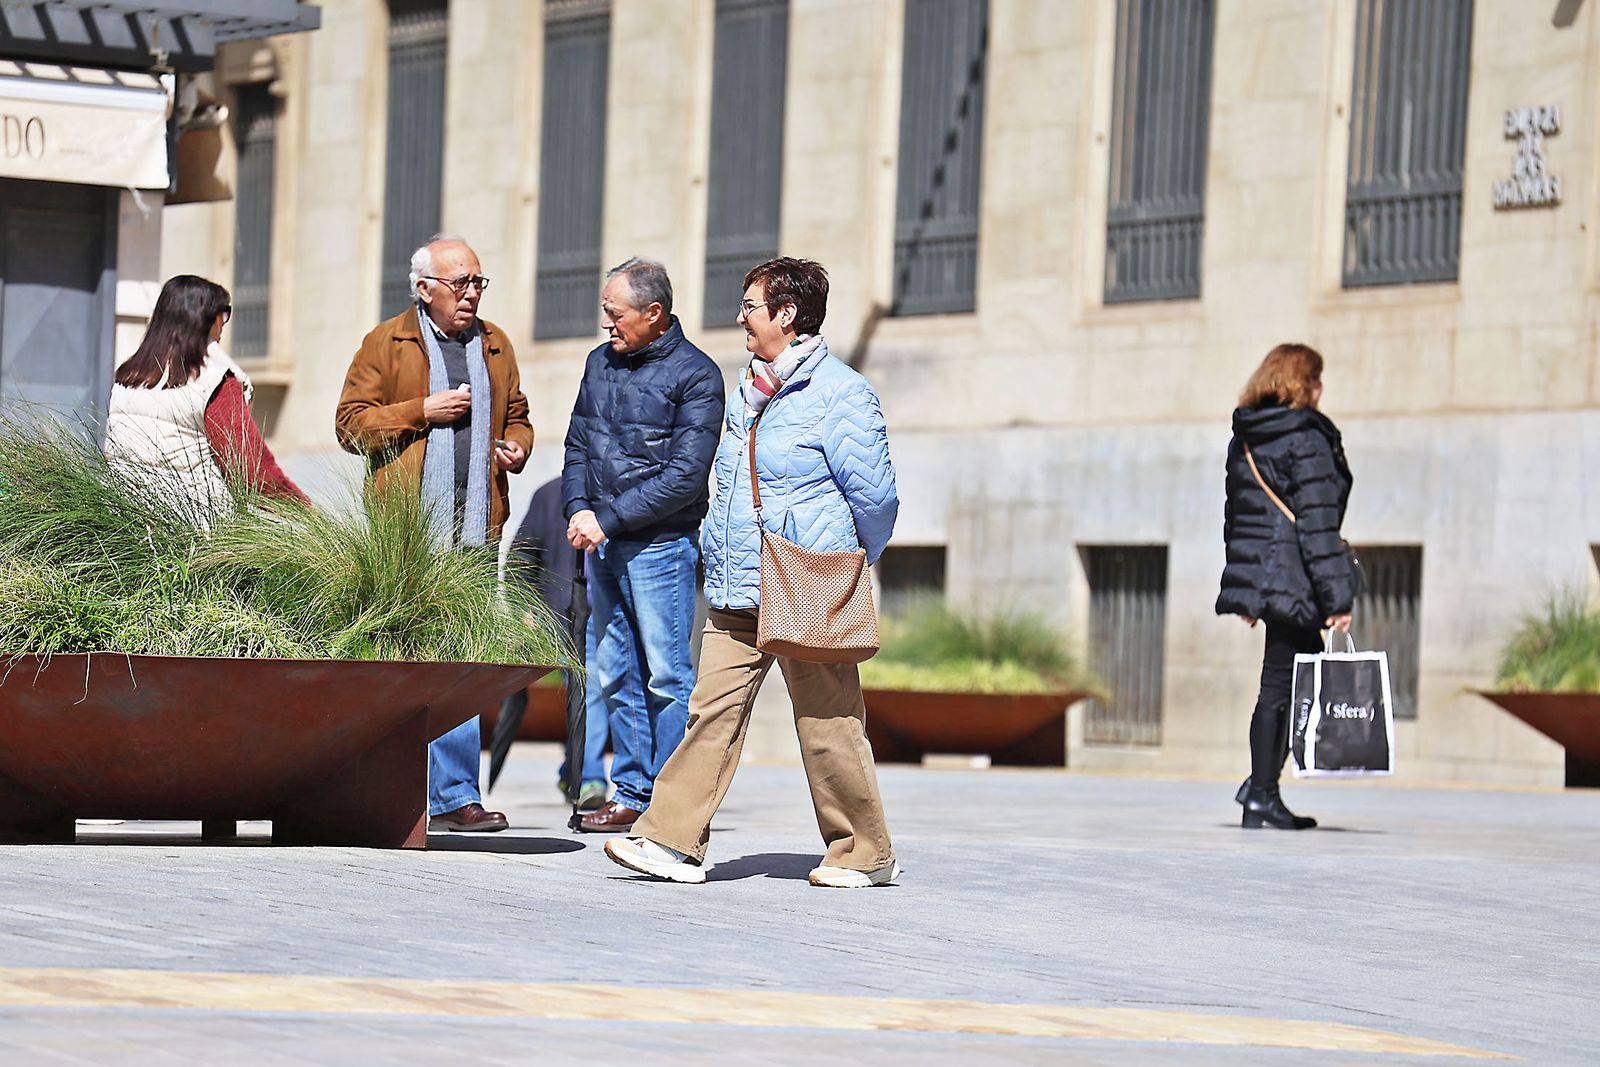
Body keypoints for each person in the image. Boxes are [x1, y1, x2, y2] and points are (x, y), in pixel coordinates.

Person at [604, 256, 901, 888]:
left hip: (807, 580)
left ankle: (865, 852)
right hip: (740, 581)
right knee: (710, 711)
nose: (740, 316)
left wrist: (843, 558)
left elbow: (876, 501)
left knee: (828, 722)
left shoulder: (841, 394)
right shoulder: (749, 389)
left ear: (787, 316)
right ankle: (672, 841)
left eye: (751, 306)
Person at [335, 235, 533, 833]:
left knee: (461, 656)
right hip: (407, 530)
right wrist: (421, 410)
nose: (472, 294)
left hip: (478, 525)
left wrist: (517, 448)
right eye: (460, 284)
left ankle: (453, 795)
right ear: (424, 289)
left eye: (478, 283)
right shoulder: (386, 341)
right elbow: (349, 425)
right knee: (404, 653)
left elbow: (518, 413)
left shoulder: (494, 344)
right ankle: (384, 787)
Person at [562, 257, 724, 833]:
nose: (607, 324)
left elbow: (685, 475)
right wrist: (577, 507)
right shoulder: (598, 363)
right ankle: (629, 793)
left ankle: (671, 804)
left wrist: (605, 518)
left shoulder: (697, 375)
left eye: (616, 313)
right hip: (601, 543)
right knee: (615, 672)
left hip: (659, 546)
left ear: (654, 314)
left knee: (666, 676)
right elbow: (578, 440)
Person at [1215, 343, 1356, 831]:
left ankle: (1260, 787)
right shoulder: (1306, 437)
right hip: (1297, 574)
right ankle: (1261, 790)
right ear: (1302, 383)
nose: (1321, 389)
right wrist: (1338, 597)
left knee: (1285, 674)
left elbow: (1240, 518)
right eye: (1316, 379)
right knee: (1284, 678)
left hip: (1270, 574)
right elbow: (1317, 523)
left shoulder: (1249, 436)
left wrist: (1250, 589)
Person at [106, 274, 308, 515]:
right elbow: (251, 470)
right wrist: (305, 512)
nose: (223, 323)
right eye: (222, 314)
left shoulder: (126, 378)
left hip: (125, 523)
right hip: (193, 534)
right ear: (205, 319)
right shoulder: (214, 381)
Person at [503, 476, 610, 811]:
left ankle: (573, 769)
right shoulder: (550, 494)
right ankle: (589, 776)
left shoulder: (621, 491)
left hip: (611, 613)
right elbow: (520, 559)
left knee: (593, 694)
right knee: (588, 691)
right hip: (569, 616)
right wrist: (525, 609)